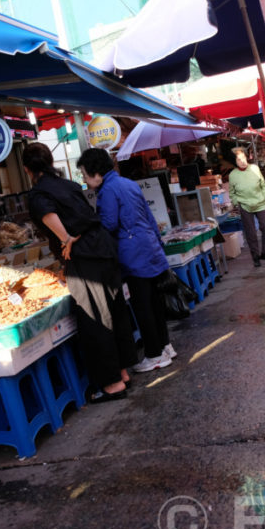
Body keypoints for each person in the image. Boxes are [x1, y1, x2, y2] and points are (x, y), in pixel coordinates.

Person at [22, 143, 137, 403]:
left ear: (27, 169)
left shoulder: (39, 193)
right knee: (113, 310)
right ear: (51, 161)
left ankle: (112, 385)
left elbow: (49, 216)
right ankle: (122, 371)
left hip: (85, 256)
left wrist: (66, 240)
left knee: (94, 319)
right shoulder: (69, 185)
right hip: (104, 249)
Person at [77, 148, 176, 374]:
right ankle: (165, 346)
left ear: (97, 173)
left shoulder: (108, 191)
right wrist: (158, 244)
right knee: (155, 303)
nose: (84, 179)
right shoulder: (129, 184)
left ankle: (154, 355)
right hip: (149, 247)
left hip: (132, 254)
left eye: (84, 174)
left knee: (143, 307)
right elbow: (150, 218)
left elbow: (109, 224)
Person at [228, 147, 265, 267]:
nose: (242, 161)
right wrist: (236, 202)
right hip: (245, 205)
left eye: (243, 158)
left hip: (259, 203)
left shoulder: (255, 168)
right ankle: (255, 257)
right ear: (235, 161)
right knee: (251, 233)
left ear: (246, 157)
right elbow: (232, 193)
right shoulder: (233, 175)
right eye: (238, 159)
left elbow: (263, 185)